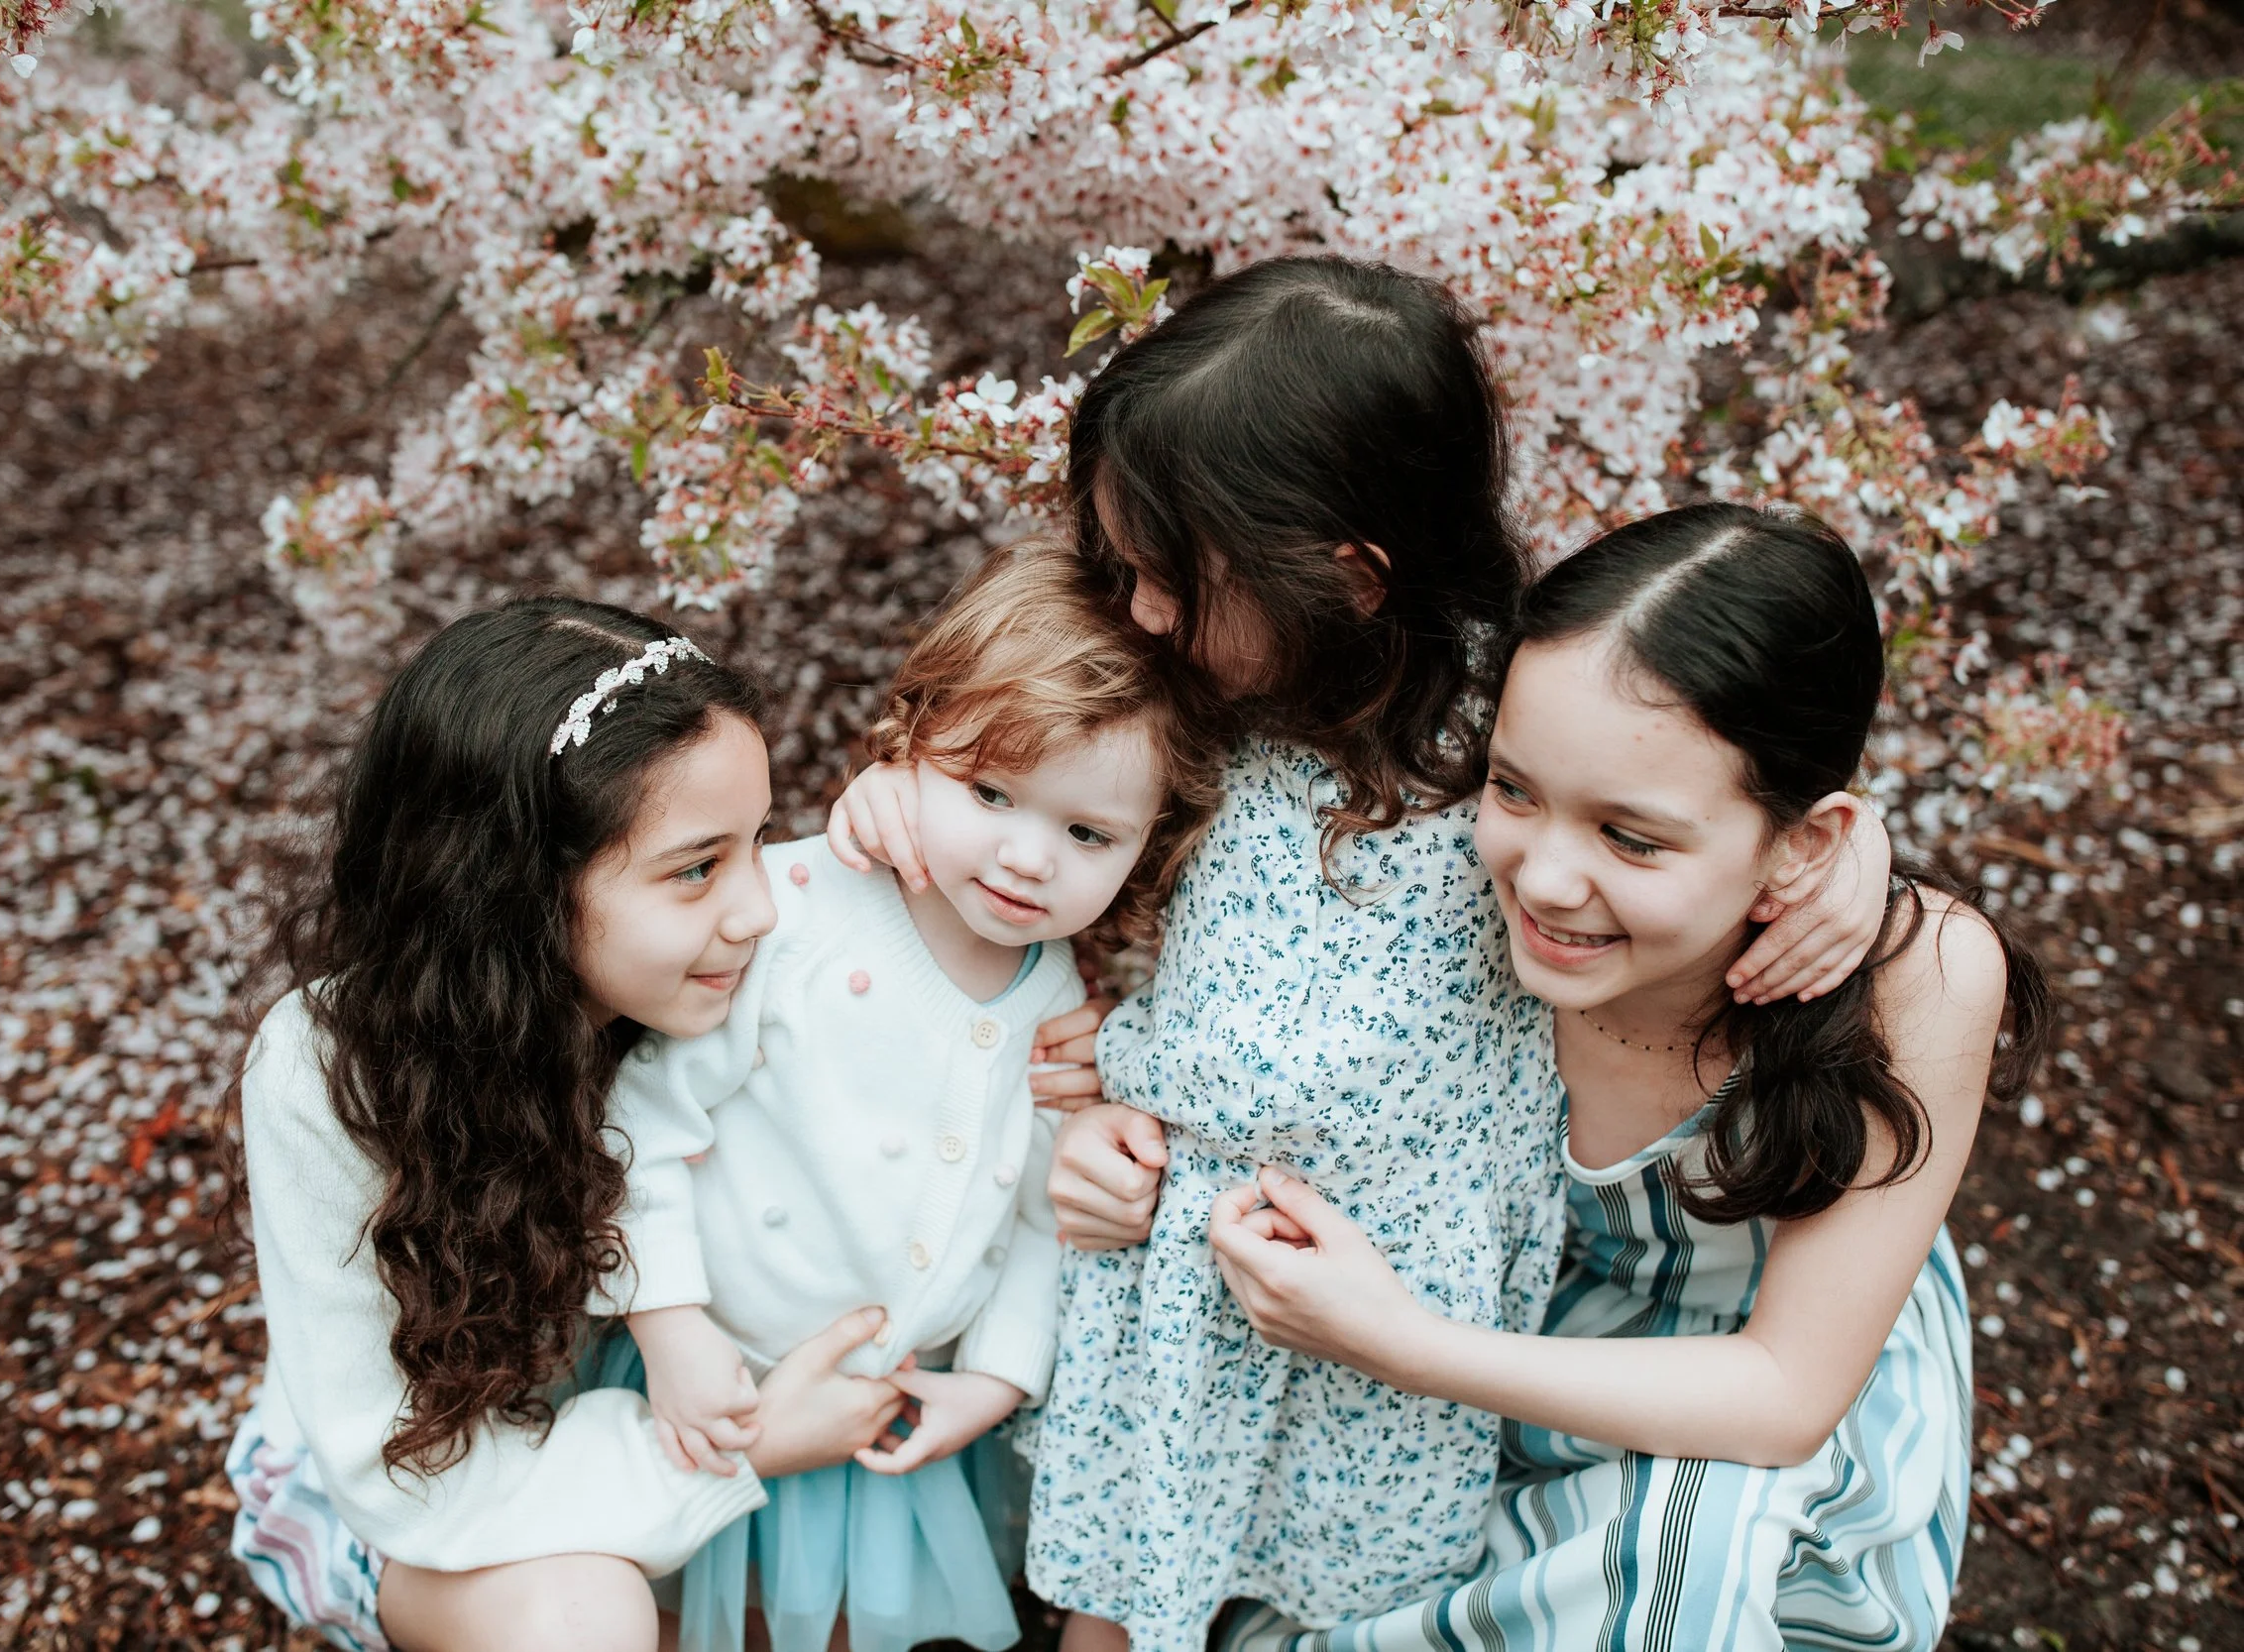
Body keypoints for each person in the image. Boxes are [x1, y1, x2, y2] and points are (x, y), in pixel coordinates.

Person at [828, 258, 1894, 1652]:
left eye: (1173, 577)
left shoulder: (1510, 731)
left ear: (1344, 575)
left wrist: (1869, 860)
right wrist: (913, 780)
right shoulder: (1196, 686)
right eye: (1126, 569)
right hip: (1186, 1270)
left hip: (1398, 1303)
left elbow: (1695, 750)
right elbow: (1025, 739)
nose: (1140, 610)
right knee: (1121, 1576)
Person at [1080, 503, 2052, 1651]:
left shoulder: (1914, 975)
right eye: (1514, 787)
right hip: (1469, 1316)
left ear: (1806, 841)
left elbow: (1786, 1396)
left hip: (1742, 1379)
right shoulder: (1435, 854)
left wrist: (1400, 1341)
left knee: (1690, 1572)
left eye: (1631, 839)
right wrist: (1106, 1114)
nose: (1542, 878)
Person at [224, 600, 913, 1652]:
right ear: (515, 889)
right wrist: (750, 1444)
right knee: (583, 1619)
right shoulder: (331, 1073)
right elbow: (407, 1479)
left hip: (673, 1426)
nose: (761, 908)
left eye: (760, 841)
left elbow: (959, 989)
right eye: (695, 866)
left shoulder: (728, 966)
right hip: (437, 1509)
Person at [606, 538, 1224, 1652]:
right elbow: (640, 1123)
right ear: (913, 741)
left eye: (1086, 833)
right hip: (721, 1367)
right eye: (990, 791)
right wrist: (668, 1327)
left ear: (1144, 849)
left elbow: (1045, 1212)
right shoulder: (790, 909)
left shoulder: (1061, 1001)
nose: (1029, 857)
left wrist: (993, 1378)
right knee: (691, 1613)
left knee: (847, 1626)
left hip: (889, 1408)